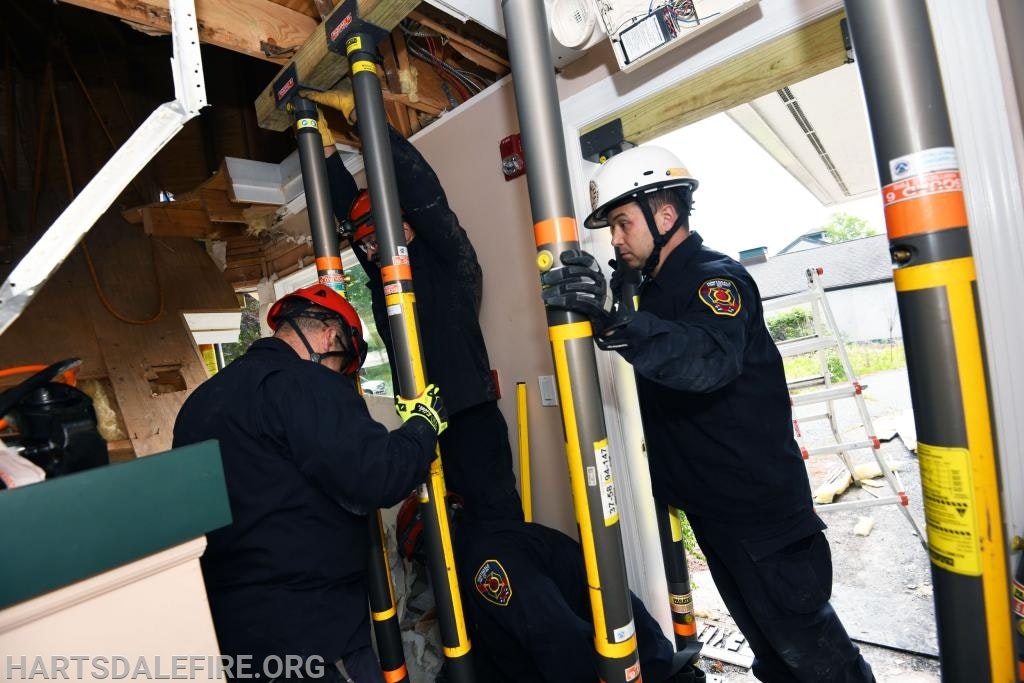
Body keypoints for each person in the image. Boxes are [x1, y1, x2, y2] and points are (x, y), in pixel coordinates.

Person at [540, 146, 875, 682]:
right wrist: (616, 297)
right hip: (716, 510)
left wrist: (611, 322)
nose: (616, 240)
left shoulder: (716, 279)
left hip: (760, 515)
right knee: (771, 650)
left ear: (665, 215)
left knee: (816, 656)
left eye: (623, 225)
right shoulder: (657, 288)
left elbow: (706, 360)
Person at [173, 284, 448, 683]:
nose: (339, 377)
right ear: (329, 336)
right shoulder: (304, 383)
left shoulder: (199, 403)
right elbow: (378, 475)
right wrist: (424, 427)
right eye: (342, 367)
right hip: (311, 631)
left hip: (230, 629)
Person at [299, 85, 523, 523]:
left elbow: (419, 188)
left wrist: (367, 122)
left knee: (497, 529)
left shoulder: (451, 263)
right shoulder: (386, 271)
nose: (367, 255)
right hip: (424, 423)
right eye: (361, 247)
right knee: (445, 532)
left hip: (470, 421)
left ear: (404, 227)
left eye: (373, 241)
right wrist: (325, 150)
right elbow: (354, 214)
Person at [395, 493, 705, 683]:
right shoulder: (482, 546)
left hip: (632, 672)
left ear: (431, 551)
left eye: (422, 563)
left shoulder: (486, 565)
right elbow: (495, 647)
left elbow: (556, 637)